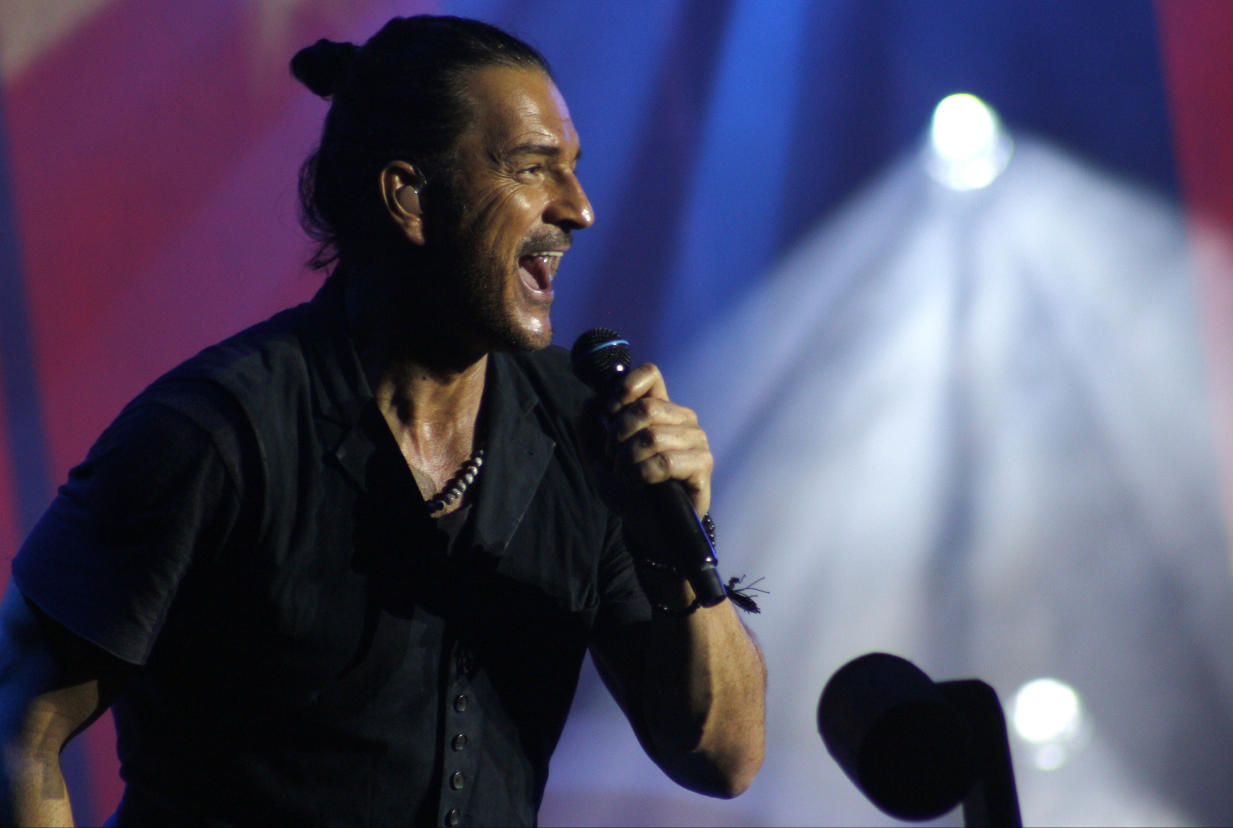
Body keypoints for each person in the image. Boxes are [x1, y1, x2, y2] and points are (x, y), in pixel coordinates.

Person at [0, 15, 765, 827]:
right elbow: (21, 720)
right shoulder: (212, 437)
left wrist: (669, 541)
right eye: (533, 169)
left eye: (572, 171)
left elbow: (722, 756)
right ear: (409, 197)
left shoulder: (585, 435)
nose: (579, 208)